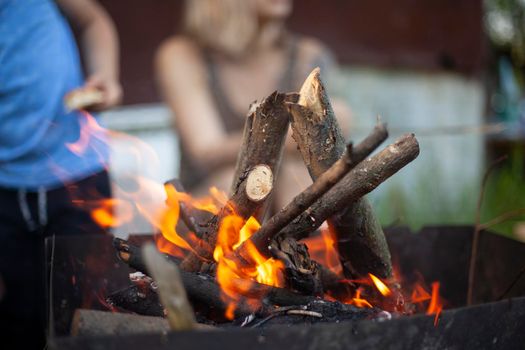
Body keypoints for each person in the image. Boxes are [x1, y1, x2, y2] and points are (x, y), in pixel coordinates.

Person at [0, 0, 121, 347]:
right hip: (5, 185)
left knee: (88, 305)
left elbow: (93, 21)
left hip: (76, 172)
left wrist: (106, 76)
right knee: (19, 315)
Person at [155, 0, 350, 206]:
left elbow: (341, 120)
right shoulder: (184, 55)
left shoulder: (306, 54)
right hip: (209, 202)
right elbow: (206, 150)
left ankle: (304, 240)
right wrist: (300, 134)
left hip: (287, 193)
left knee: (298, 177)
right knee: (238, 182)